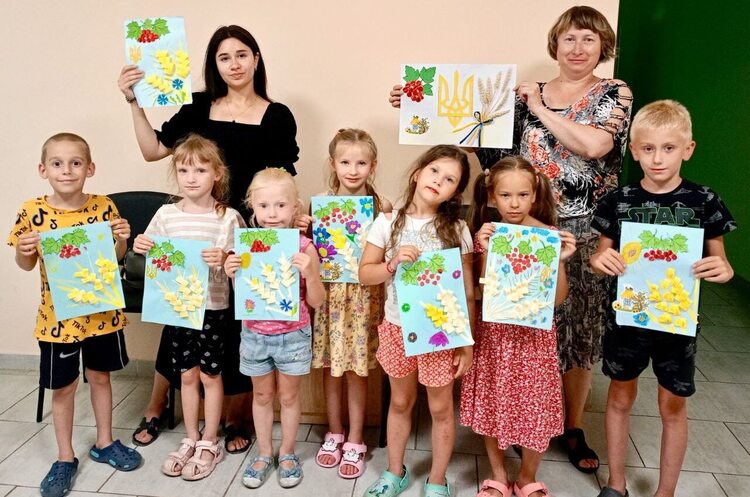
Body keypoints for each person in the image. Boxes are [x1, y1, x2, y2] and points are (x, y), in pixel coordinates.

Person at [386, 5, 633, 472]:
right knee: (512, 325)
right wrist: (420, 107)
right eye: (569, 38)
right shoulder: (522, 95)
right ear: (555, 44)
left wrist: (539, 109)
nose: (578, 47)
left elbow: (595, 146)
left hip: (578, 226)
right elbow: (483, 140)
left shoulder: (612, 92)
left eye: (588, 39)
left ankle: (570, 426)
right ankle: (514, 419)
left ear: (603, 46)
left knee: (574, 329)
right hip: (515, 229)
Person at [119, 24, 299, 452]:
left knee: (239, 322)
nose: (234, 64)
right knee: (182, 313)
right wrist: (133, 102)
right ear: (213, 65)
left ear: (256, 59)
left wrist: (292, 219)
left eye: (242, 54)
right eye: (224, 57)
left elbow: (282, 178)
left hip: (250, 230)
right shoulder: (199, 105)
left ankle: (235, 415)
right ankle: (157, 405)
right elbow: (153, 150)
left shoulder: (278, 115)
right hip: (194, 225)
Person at [589, 100, 736, 497]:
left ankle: (665, 491)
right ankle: (616, 484)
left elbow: (720, 259)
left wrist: (723, 269)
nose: (658, 158)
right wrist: (601, 260)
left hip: (676, 324)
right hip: (626, 321)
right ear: (634, 151)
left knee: (672, 405)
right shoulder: (618, 200)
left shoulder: (704, 201)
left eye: (668, 148)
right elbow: (600, 255)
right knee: (620, 397)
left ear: (688, 149)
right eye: (648, 148)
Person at [8, 133, 142, 497]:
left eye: (76, 163)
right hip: (57, 321)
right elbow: (25, 264)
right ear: (43, 170)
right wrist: (23, 250)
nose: (67, 170)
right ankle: (65, 457)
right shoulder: (31, 211)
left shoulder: (104, 206)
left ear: (90, 168)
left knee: (100, 377)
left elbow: (115, 257)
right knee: (64, 387)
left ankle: (105, 442)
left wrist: (122, 239)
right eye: (57, 163)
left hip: (101, 314)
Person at [359, 145, 474, 497]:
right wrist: (392, 264)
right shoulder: (387, 222)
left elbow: (467, 292)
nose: (439, 181)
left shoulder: (457, 229)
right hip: (397, 328)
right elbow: (365, 273)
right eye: (434, 171)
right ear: (417, 173)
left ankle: (437, 479)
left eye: (450, 179)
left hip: (441, 334)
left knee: (440, 407)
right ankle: (394, 472)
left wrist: (466, 344)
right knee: (399, 402)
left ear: (455, 192)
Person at [462, 157, 576, 497]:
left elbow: (557, 299)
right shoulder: (487, 235)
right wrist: (483, 251)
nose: (514, 204)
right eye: (505, 195)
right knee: (493, 400)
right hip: (495, 337)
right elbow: (482, 290)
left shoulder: (549, 237)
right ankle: (498, 474)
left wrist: (559, 261)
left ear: (535, 195)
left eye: (523, 195)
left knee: (535, 405)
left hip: (533, 339)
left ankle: (527, 477)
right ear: (492, 197)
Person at [132, 134, 244, 480]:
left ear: (217, 174)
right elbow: (149, 254)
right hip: (178, 310)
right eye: (183, 170)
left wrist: (225, 258)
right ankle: (190, 437)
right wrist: (140, 245)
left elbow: (242, 264)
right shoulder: (166, 215)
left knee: (211, 374)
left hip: (213, 309)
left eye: (200, 170)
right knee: (186, 374)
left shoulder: (228, 217)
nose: (191, 177)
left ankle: (210, 440)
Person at [224, 168, 326, 489]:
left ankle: (288, 453)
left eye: (280, 205)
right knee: (262, 395)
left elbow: (318, 300)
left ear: (295, 207)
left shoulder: (305, 247)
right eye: (264, 206)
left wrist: (311, 274)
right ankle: (265, 453)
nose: (272, 214)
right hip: (255, 335)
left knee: (290, 398)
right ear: (252, 208)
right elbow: (245, 296)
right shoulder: (244, 247)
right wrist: (232, 273)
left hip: (293, 336)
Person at [312, 129, 392, 479]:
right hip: (330, 296)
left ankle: (356, 438)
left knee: (357, 369)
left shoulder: (382, 206)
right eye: (345, 162)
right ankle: (334, 432)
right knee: (332, 366)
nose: (353, 170)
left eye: (361, 163)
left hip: (363, 297)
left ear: (373, 166)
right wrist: (304, 227)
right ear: (333, 164)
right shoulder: (320, 203)